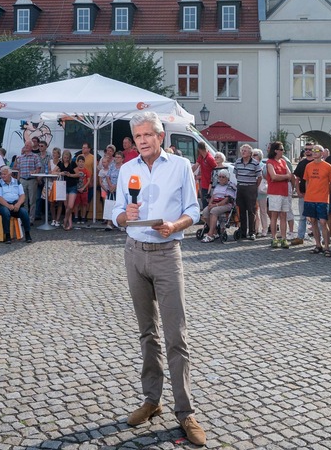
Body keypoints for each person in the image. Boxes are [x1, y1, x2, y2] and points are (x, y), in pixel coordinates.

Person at [111, 111, 205, 447]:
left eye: (148, 135)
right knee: (147, 333)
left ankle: (186, 412)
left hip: (167, 254)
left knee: (176, 336)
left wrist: (175, 226)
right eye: (137, 137)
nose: (143, 141)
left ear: (160, 136)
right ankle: (152, 400)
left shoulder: (179, 166)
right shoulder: (127, 170)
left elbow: (194, 210)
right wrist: (126, 216)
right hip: (134, 253)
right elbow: (115, 214)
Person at [301, 146, 331, 255]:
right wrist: (307, 194)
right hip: (310, 198)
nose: (314, 152)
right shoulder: (308, 166)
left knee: (323, 222)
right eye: (313, 150)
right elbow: (307, 181)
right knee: (313, 222)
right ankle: (318, 245)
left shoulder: (328, 166)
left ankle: (326, 246)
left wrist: (328, 195)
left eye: (317, 150)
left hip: (323, 199)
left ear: (322, 153)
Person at [264, 141, 294, 248]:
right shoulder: (270, 162)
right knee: (274, 215)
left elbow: (290, 175)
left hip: (284, 191)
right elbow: (274, 177)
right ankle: (274, 238)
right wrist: (285, 176)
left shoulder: (283, 162)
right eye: (281, 149)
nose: (283, 151)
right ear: (275, 150)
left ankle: (284, 238)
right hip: (274, 192)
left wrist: (285, 176)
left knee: (283, 216)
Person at [0, 165, 33, 244]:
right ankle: (7, 235)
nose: (2, 176)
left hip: (15, 204)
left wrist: (18, 204)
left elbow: (22, 195)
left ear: (10, 174)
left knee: (24, 212)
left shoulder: (17, 182)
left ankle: (27, 234)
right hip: (3, 204)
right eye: (2, 174)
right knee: (5, 212)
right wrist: (8, 206)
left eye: (4, 174)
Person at [232, 144, 261, 241]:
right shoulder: (237, 162)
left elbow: (259, 177)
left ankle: (252, 232)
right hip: (241, 187)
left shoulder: (255, 163)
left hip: (251, 188)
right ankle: (243, 232)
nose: (243, 152)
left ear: (250, 153)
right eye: (242, 150)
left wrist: (254, 186)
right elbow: (236, 174)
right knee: (242, 210)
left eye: (245, 151)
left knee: (251, 211)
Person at [201, 168, 236, 242]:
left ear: (227, 178)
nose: (221, 178)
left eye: (223, 177)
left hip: (226, 205)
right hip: (215, 203)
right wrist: (210, 204)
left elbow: (226, 200)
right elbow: (213, 196)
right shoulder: (217, 185)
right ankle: (215, 232)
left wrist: (215, 205)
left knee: (213, 211)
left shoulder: (230, 185)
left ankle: (210, 235)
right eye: (219, 177)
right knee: (205, 212)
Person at [17, 138, 45, 224]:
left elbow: (38, 168)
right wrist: (18, 181)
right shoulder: (21, 157)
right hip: (23, 180)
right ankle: (25, 218)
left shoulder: (35, 156)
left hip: (32, 180)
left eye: (28, 145)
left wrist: (35, 172)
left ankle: (31, 219)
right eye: (25, 145)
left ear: (31, 147)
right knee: (23, 200)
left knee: (32, 201)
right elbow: (19, 170)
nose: (26, 147)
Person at [57, 149, 80, 231]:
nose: (66, 159)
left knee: (70, 206)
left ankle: (65, 220)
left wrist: (70, 175)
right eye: (64, 157)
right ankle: (69, 224)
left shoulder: (73, 164)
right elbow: (53, 172)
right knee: (66, 206)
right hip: (64, 186)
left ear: (69, 158)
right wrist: (60, 173)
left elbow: (78, 174)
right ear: (62, 157)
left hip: (72, 186)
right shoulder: (60, 164)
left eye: (67, 158)